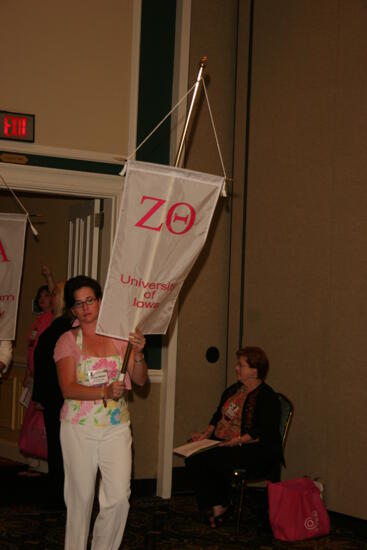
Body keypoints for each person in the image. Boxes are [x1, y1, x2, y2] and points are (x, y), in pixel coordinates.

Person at [54, 275, 148, 550]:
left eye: (90, 300)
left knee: (119, 498)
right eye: (78, 303)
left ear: (100, 301)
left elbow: (141, 381)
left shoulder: (121, 338)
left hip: (116, 427)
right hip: (78, 429)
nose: (85, 308)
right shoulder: (67, 341)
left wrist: (140, 354)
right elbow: (68, 388)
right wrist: (104, 392)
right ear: (72, 310)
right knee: (80, 500)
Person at [185, 346, 282, 528]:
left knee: (212, 458)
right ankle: (218, 504)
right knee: (193, 455)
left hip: (254, 448)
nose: (236, 368)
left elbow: (262, 432)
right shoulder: (234, 390)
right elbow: (218, 415)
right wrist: (205, 434)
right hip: (225, 442)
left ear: (254, 371)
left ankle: (220, 507)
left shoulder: (267, 397)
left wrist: (234, 442)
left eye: (241, 365)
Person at [32, 281, 72, 508]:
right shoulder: (56, 324)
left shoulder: (66, 327)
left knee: (61, 448)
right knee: (57, 447)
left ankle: (60, 496)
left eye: (55, 293)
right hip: (52, 396)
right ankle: (57, 492)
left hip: (60, 397)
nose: (52, 296)